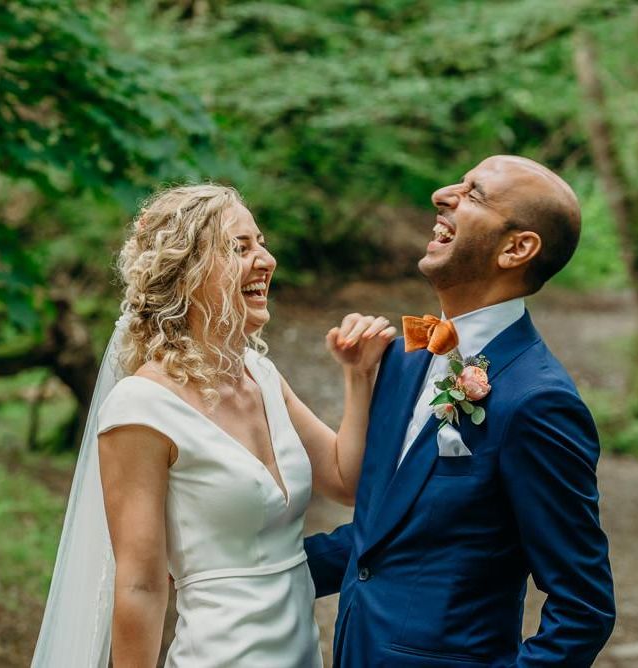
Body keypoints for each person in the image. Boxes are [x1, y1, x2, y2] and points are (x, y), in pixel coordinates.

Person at [31, 184, 396, 667]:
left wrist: (357, 376)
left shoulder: (260, 375)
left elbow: (344, 479)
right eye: (239, 248)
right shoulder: (141, 406)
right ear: (186, 272)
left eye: (261, 243)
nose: (265, 259)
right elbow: (139, 586)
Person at [306, 155, 616, 667]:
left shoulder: (538, 401)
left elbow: (584, 607)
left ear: (517, 249)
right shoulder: (407, 356)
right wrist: (236, 571)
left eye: (473, 194)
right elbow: (382, 534)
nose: (442, 194)